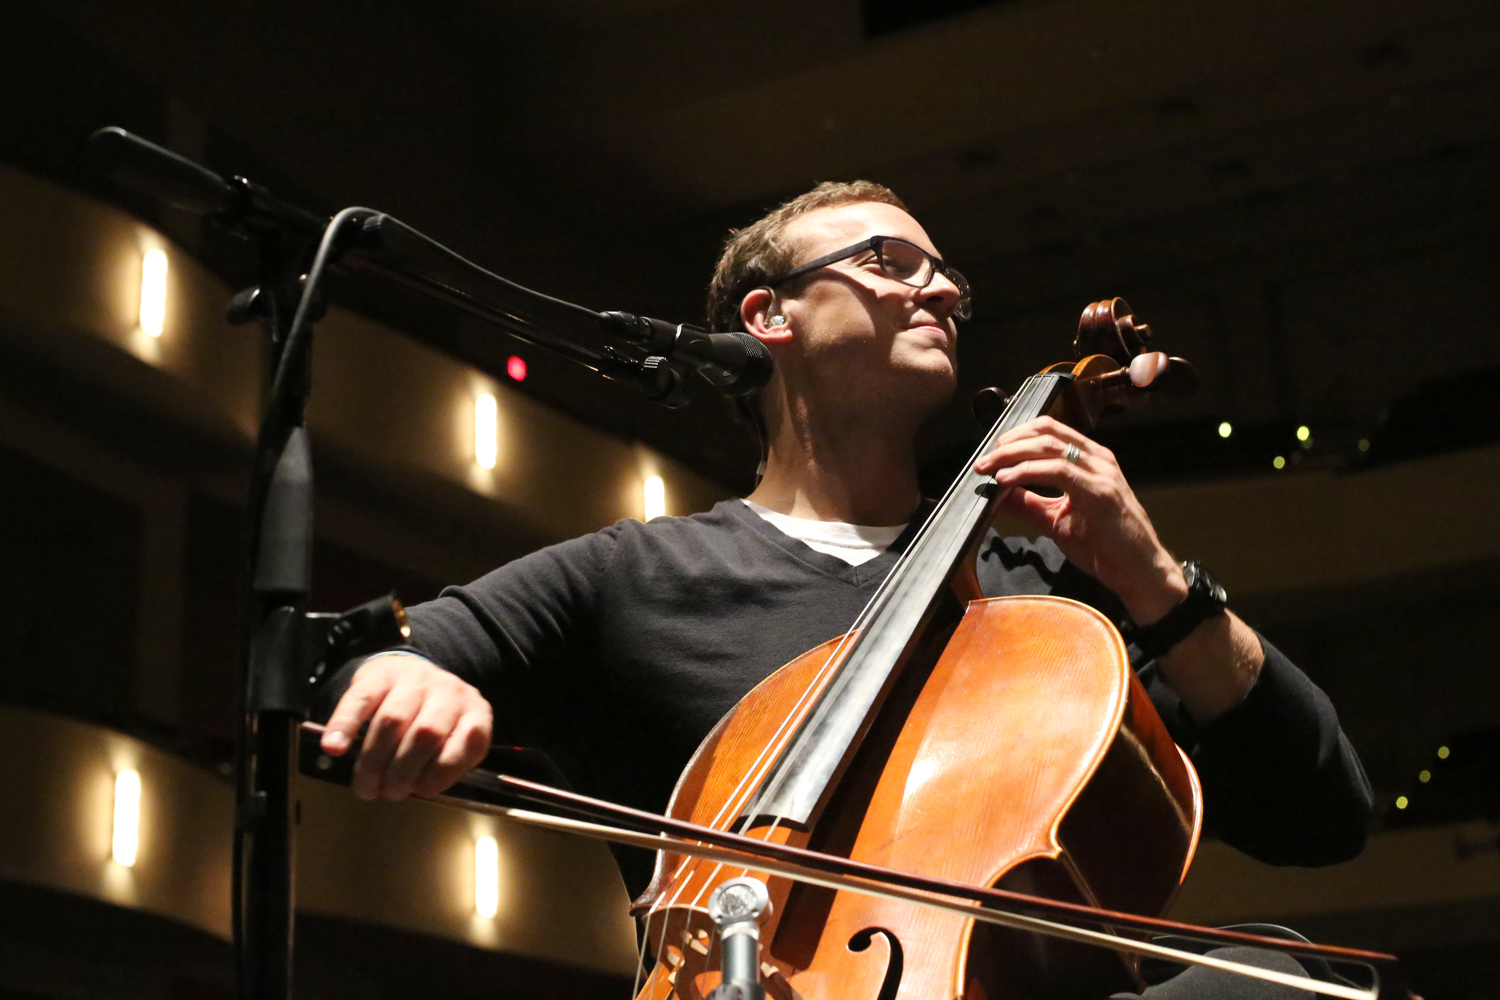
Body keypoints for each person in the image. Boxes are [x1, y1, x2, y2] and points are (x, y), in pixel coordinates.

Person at [317, 181, 1372, 995]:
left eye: (948, 273)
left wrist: (1157, 582)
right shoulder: (637, 577)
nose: (946, 289)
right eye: (889, 260)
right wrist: (406, 675)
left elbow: (1317, 815)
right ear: (769, 315)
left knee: (1290, 976)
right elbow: (340, 673)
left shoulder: (1049, 605)